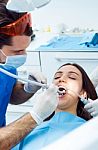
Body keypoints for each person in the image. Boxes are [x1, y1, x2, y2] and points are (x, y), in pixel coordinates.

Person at [0, 1, 58, 149]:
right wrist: (35, 116)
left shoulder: (6, 66)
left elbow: (9, 95)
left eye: (25, 49)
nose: (23, 55)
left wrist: (27, 89)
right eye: (17, 52)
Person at [12, 63, 98, 150]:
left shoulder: (91, 132)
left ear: (83, 94)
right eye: (57, 77)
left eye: (72, 77)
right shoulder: (25, 132)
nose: (61, 79)